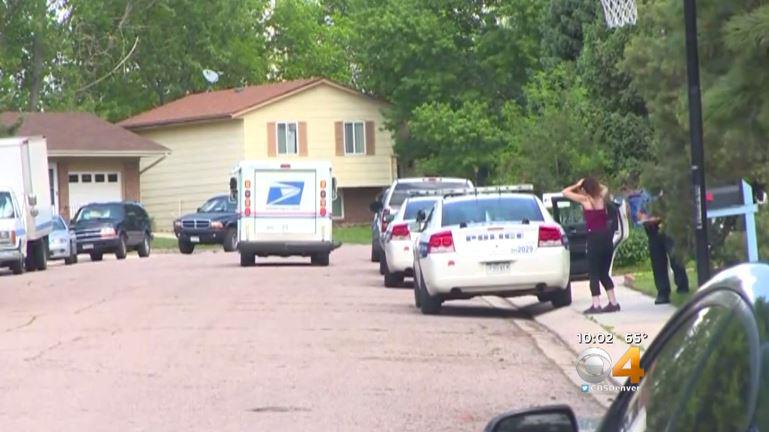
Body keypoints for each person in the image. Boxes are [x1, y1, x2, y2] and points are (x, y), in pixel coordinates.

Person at [563, 177, 620, 314]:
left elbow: (565, 192)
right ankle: (613, 302)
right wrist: (592, 184)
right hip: (606, 238)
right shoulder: (601, 197)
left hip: (594, 238)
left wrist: (577, 184)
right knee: (604, 273)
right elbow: (604, 187)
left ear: (584, 189)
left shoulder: (585, 200)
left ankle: (596, 304)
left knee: (593, 272)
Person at [637, 191, 690, 304]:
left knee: (675, 257)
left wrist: (656, 218)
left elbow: (672, 210)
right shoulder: (647, 193)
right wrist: (644, 217)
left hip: (667, 226)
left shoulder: (668, 189)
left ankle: (682, 287)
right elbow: (640, 212)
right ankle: (663, 292)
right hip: (652, 230)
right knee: (657, 261)